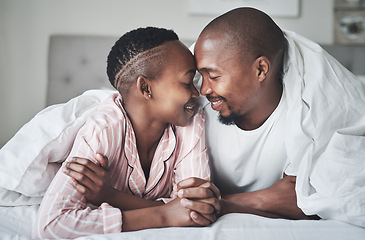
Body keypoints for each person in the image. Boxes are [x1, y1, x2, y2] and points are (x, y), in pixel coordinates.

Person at [176, 7, 365, 227]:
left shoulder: (314, 107)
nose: (204, 89)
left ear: (261, 69)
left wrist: (219, 203)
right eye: (202, 76)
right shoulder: (194, 99)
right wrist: (262, 199)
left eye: (215, 76)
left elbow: (310, 203)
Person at [32, 27, 220, 239]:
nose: (197, 93)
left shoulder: (192, 118)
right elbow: (51, 225)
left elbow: (197, 208)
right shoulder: (102, 131)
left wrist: (111, 197)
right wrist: (164, 215)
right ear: (146, 88)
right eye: (188, 82)